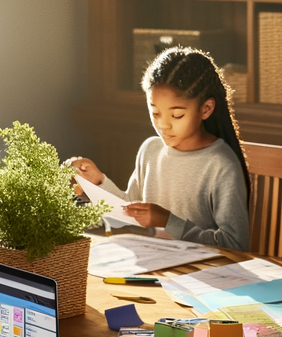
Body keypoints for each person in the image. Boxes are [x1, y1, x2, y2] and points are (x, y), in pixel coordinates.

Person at [68, 47, 250, 250]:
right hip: (153, 265)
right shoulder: (151, 150)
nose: (163, 125)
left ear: (206, 109)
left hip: (199, 275)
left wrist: (167, 220)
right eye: (155, 113)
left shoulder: (221, 163)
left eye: (177, 115)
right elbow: (130, 212)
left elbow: (235, 245)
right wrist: (98, 182)